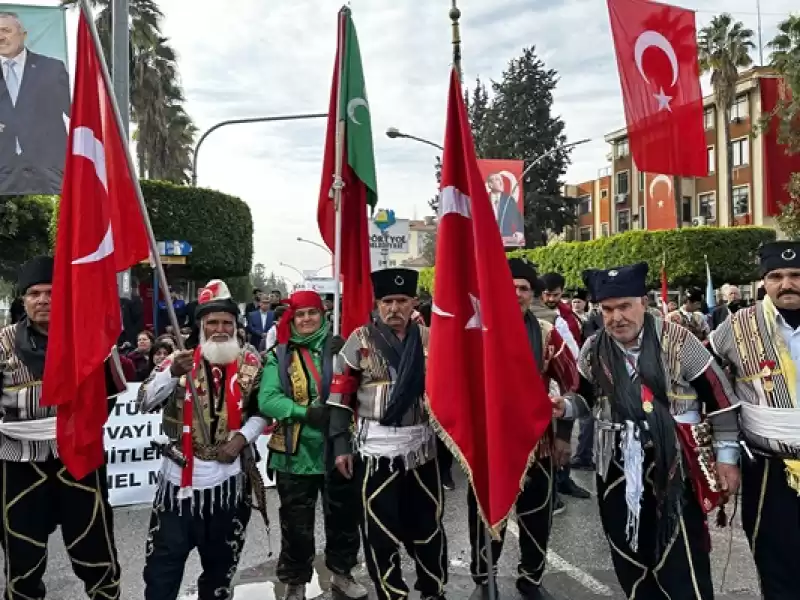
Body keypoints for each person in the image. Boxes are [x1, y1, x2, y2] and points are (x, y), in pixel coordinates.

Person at [577, 262, 740, 600]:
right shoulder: (593, 348)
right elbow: (583, 399)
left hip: (676, 464)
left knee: (682, 560)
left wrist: (727, 460)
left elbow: (721, 401)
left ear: (644, 302)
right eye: (607, 309)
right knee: (628, 558)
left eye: (624, 306)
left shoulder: (681, 341)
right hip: (616, 469)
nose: (616, 317)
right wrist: (562, 407)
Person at [0, 256, 126, 599]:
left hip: (80, 460)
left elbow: (112, 394)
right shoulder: (3, 342)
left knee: (96, 551)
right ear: (23, 300)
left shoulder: (91, 340)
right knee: (22, 555)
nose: (42, 300)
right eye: (34, 294)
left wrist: (78, 425)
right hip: (20, 462)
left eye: (50, 293)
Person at [137, 279, 268, 600]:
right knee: (161, 575)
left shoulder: (251, 364)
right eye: (212, 323)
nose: (220, 329)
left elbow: (262, 412)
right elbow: (144, 402)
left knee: (220, 575)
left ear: (237, 327)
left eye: (227, 322)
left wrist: (241, 439)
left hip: (229, 488)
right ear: (200, 327)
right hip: (178, 488)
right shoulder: (176, 361)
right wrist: (169, 375)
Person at [327, 268, 447, 600]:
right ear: (377, 304)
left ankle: (433, 589)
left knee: (429, 525)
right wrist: (340, 445)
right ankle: (392, 593)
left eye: (402, 301)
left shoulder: (431, 339)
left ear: (414, 303)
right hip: (375, 450)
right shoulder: (359, 340)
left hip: (422, 449)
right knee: (380, 530)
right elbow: (339, 398)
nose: (394, 309)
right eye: (387, 302)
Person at [468, 258, 582, 600]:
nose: (516, 293)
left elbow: (572, 385)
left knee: (536, 517)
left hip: (538, 444)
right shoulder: (477, 333)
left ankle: (530, 578)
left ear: (533, 294)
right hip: (491, 445)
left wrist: (563, 436)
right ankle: (483, 578)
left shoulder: (548, 335)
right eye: (510, 286)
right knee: (485, 517)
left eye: (524, 288)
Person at [259, 290, 366, 600]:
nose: (306, 319)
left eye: (312, 313)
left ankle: (343, 574)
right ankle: (295, 581)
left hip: (339, 448)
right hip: (294, 452)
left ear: (323, 315)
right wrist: (304, 412)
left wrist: (349, 360)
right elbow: (268, 399)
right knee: (296, 524)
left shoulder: (342, 348)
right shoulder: (278, 355)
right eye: (300, 314)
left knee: (344, 518)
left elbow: (363, 387)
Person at [708, 241, 800, 600]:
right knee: (776, 564)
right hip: (767, 469)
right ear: (764, 281)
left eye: (795, 275)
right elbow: (707, 380)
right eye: (776, 276)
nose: (786, 284)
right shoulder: (736, 326)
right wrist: (724, 454)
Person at [0, 12, 71, 195]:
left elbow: (77, 111)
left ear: (23, 35)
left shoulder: (52, 69)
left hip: (49, 175)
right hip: (3, 174)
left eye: (5, 30)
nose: (1, 37)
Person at [540, 272, 591, 502]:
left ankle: (563, 479)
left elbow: (575, 351)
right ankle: (548, 484)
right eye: (547, 294)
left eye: (555, 294)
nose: (550, 298)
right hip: (544, 383)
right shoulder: (539, 315)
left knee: (563, 435)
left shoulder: (569, 317)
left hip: (564, 382)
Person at [486, 172, 524, 245]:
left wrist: (519, 232)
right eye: (497, 180)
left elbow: (517, 217)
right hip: (488, 239)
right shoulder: (483, 200)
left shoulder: (509, 200)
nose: (501, 182)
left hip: (506, 240)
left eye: (501, 180)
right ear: (490, 184)